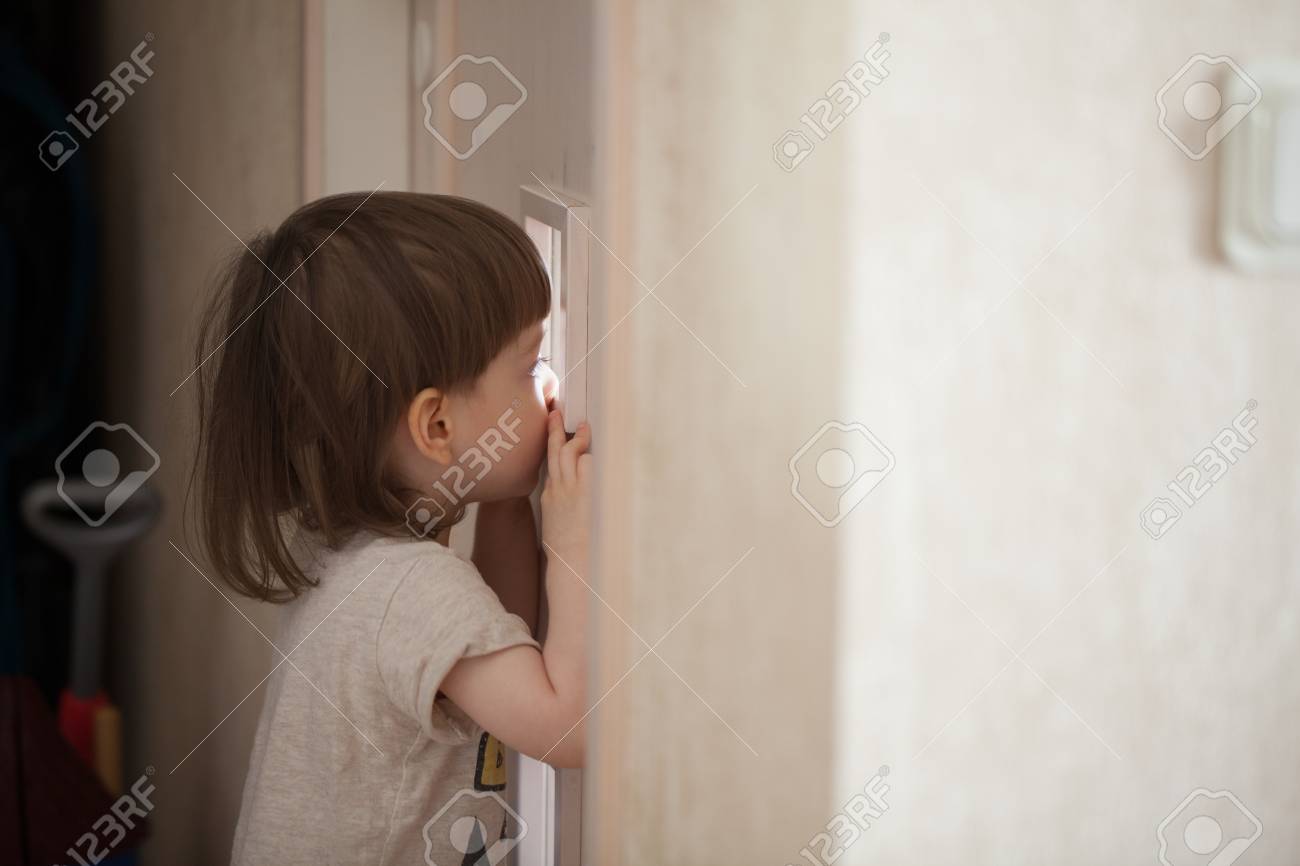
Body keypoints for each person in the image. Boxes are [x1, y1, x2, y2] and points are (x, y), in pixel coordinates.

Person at [189, 191, 591, 864]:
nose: (550, 387)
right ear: (436, 427)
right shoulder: (414, 589)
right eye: (530, 368)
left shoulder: (352, 552)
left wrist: (506, 495)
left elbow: (501, 635)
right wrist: (574, 544)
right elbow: (566, 729)